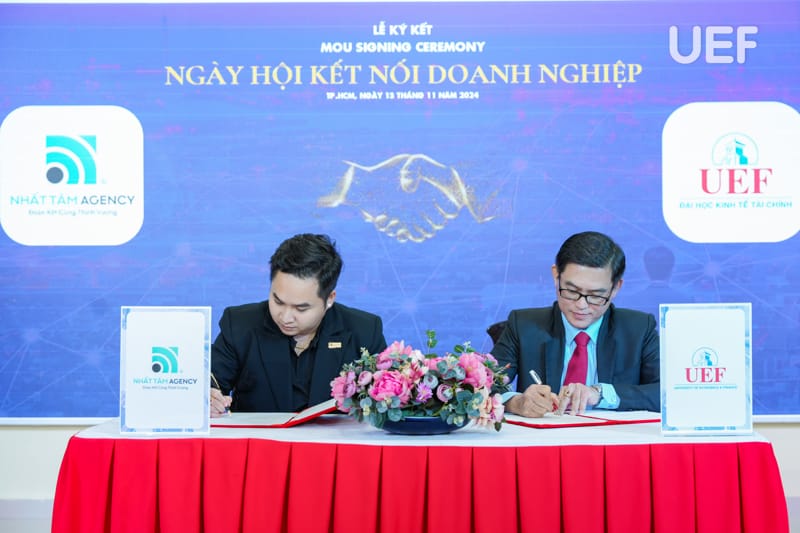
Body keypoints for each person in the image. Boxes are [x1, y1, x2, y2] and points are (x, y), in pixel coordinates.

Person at [209, 233, 387, 417]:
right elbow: (209, 382)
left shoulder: (364, 331)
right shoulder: (239, 324)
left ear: (329, 299)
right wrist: (208, 397)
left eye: (301, 308)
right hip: (259, 435)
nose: (286, 317)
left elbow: (386, 402)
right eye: (278, 301)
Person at [491, 231, 660, 417]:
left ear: (615, 288)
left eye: (595, 295)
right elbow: (482, 386)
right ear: (556, 276)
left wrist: (600, 394)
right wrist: (516, 402)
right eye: (571, 291)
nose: (581, 305)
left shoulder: (639, 330)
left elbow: (666, 392)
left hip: (612, 434)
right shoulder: (523, 325)